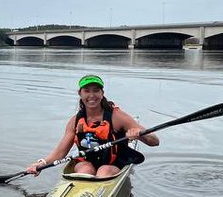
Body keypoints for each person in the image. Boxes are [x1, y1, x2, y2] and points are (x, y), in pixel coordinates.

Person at [25, 74, 160, 177]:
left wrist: (139, 135)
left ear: (102, 93)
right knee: (85, 170)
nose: (92, 95)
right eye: (87, 91)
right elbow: (60, 152)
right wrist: (41, 163)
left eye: (96, 90)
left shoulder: (117, 117)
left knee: (103, 171)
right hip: (86, 162)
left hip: (113, 163)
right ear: (80, 94)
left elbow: (154, 141)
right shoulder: (75, 121)